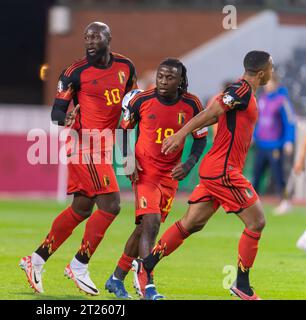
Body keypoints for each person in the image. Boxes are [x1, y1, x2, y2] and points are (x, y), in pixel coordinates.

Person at [131, 51, 273, 301]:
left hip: (217, 170)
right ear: (262, 72)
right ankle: (242, 285)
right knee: (257, 221)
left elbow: (215, 112)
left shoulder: (242, 93)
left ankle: (147, 265)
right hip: (223, 171)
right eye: (272, 67)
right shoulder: (240, 89)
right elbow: (213, 111)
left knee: (190, 224)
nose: (274, 71)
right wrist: (181, 134)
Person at [20, 22, 137, 296]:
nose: (90, 40)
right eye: (86, 37)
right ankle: (79, 264)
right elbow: (56, 114)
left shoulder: (126, 67)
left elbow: (127, 115)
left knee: (82, 208)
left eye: (96, 36)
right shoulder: (74, 73)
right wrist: (66, 117)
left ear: (109, 38)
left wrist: (126, 157)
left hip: (105, 146)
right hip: (84, 144)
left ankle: (35, 260)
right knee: (111, 205)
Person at [105, 58, 208, 300]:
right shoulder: (142, 100)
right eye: (160, 76)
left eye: (169, 77)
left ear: (181, 80)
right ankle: (147, 284)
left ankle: (116, 278)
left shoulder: (192, 104)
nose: (163, 81)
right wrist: (127, 160)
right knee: (151, 223)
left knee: (144, 228)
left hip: (170, 176)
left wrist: (190, 163)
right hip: (144, 172)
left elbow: (201, 137)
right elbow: (122, 130)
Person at [251, 74, 296, 214]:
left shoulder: (282, 100)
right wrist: (253, 136)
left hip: (275, 145)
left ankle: (285, 201)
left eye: (270, 83)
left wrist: (289, 141)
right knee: (256, 175)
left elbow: (290, 122)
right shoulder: (262, 99)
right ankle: (252, 204)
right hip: (261, 145)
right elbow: (258, 121)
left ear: (276, 84)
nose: (267, 85)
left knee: (278, 175)